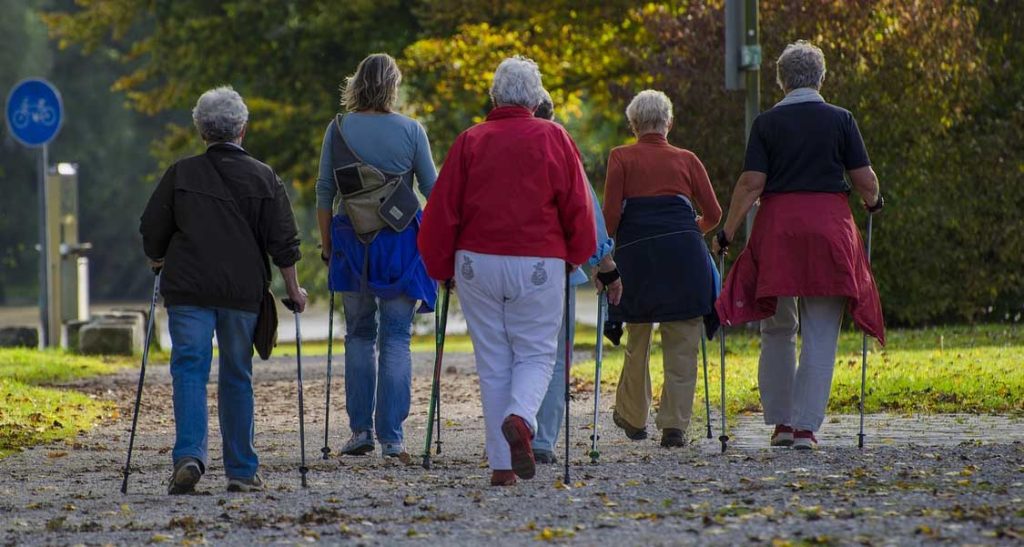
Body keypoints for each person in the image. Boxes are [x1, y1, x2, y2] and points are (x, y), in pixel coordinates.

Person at [418, 56, 596, 486]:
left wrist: (441, 266)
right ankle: (521, 417)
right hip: (538, 259)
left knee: (493, 360)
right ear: (536, 98)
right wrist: (577, 254)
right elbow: (577, 205)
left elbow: (443, 210)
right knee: (536, 352)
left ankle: (502, 466)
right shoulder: (554, 136)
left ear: (494, 96)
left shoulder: (469, 141)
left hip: (477, 261)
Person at [712, 40, 885, 450]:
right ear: (821, 77)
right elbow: (864, 179)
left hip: (778, 231)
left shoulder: (766, 123)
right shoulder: (841, 119)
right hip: (829, 230)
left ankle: (782, 424)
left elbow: (752, 183)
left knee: (777, 326)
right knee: (822, 330)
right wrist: (874, 202)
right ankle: (807, 428)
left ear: (781, 81)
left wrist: (728, 231)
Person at [140, 86, 307, 494]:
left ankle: (190, 456)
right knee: (237, 375)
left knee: (189, 370)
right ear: (242, 130)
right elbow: (283, 241)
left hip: (189, 291)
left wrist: (158, 258)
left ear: (201, 131)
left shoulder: (181, 174)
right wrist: (295, 290)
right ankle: (242, 470)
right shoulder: (265, 177)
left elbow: (151, 227)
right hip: (240, 293)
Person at [315, 53, 438, 459]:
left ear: (356, 84)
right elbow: (432, 191)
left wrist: (327, 246)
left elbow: (323, 193)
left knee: (359, 333)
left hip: (351, 240)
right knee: (397, 337)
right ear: (392, 86)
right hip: (401, 242)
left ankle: (359, 430)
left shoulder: (338, 130)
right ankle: (393, 437)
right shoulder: (412, 130)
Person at [603, 89, 722, 448]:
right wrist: (687, 232)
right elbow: (714, 215)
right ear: (668, 123)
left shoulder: (620, 157)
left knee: (637, 338)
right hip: (684, 259)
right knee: (683, 340)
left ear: (633, 124)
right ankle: (674, 426)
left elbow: (609, 219)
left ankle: (634, 416)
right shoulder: (687, 159)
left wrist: (604, 255)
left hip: (637, 259)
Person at [531, 91, 620, 464]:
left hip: (497, 266)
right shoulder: (561, 148)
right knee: (553, 355)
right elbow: (586, 213)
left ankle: (514, 428)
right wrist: (606, 267)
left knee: (512, 353)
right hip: (556, 268)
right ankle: (543, 439)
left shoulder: (488, 143)